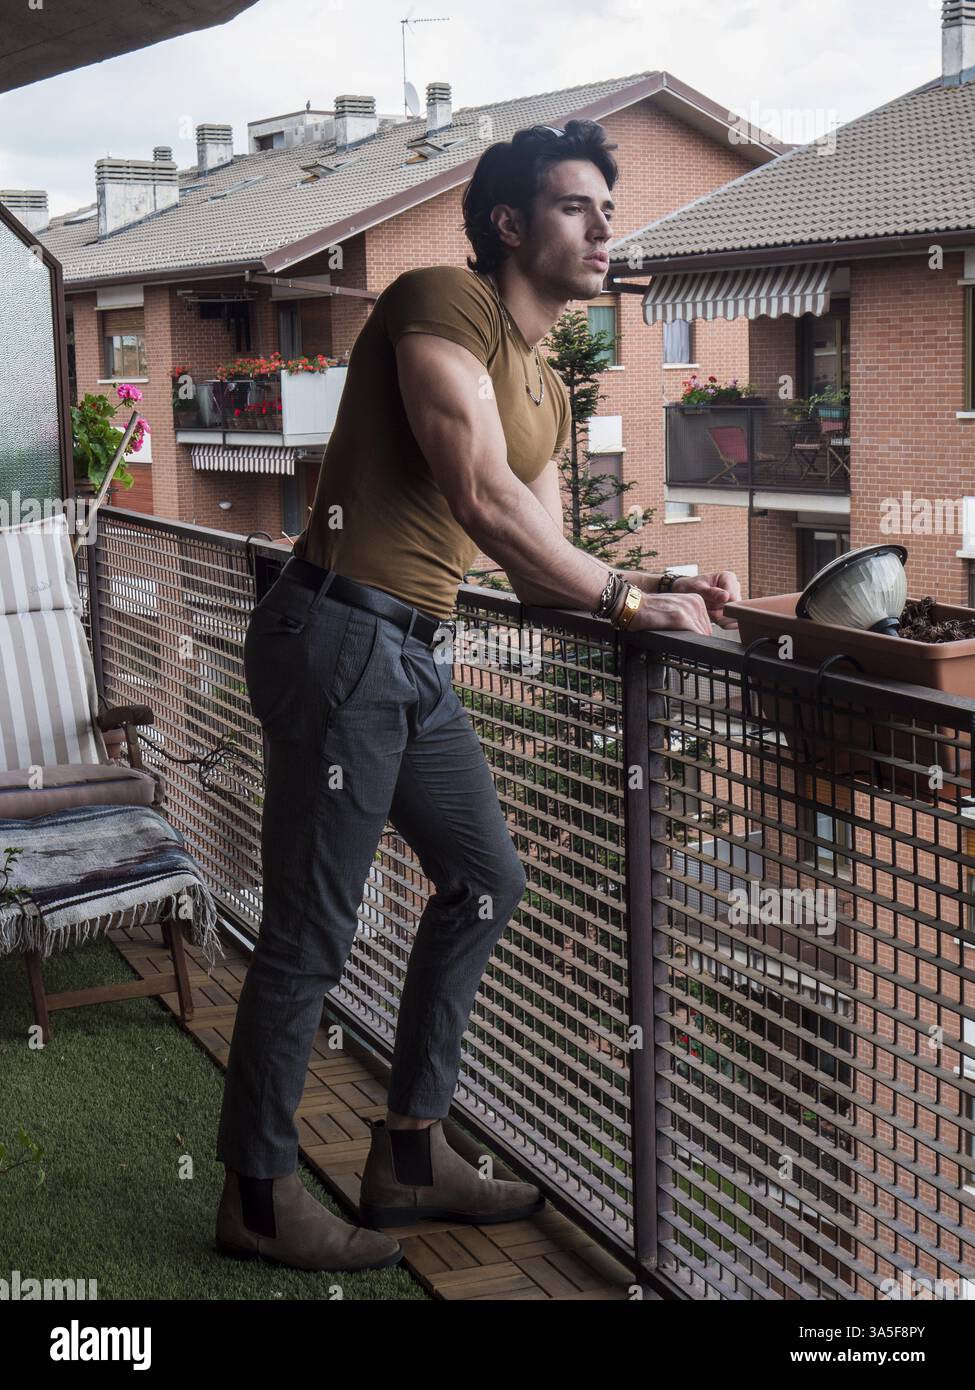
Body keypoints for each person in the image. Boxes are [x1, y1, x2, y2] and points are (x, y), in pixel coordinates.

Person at [214, 118, 741, 1273]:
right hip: (338, 634)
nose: (604, 225)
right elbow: (481, 495)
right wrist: (622, 601)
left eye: (609, 205)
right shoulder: (438, 302)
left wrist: (651, 586)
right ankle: (254, 1196)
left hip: (412, 658)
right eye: (573, 206)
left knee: (486, 878)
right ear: (510, 224)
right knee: (314, 926)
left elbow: (535, 560)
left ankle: (408, 1151)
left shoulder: (546, 388)